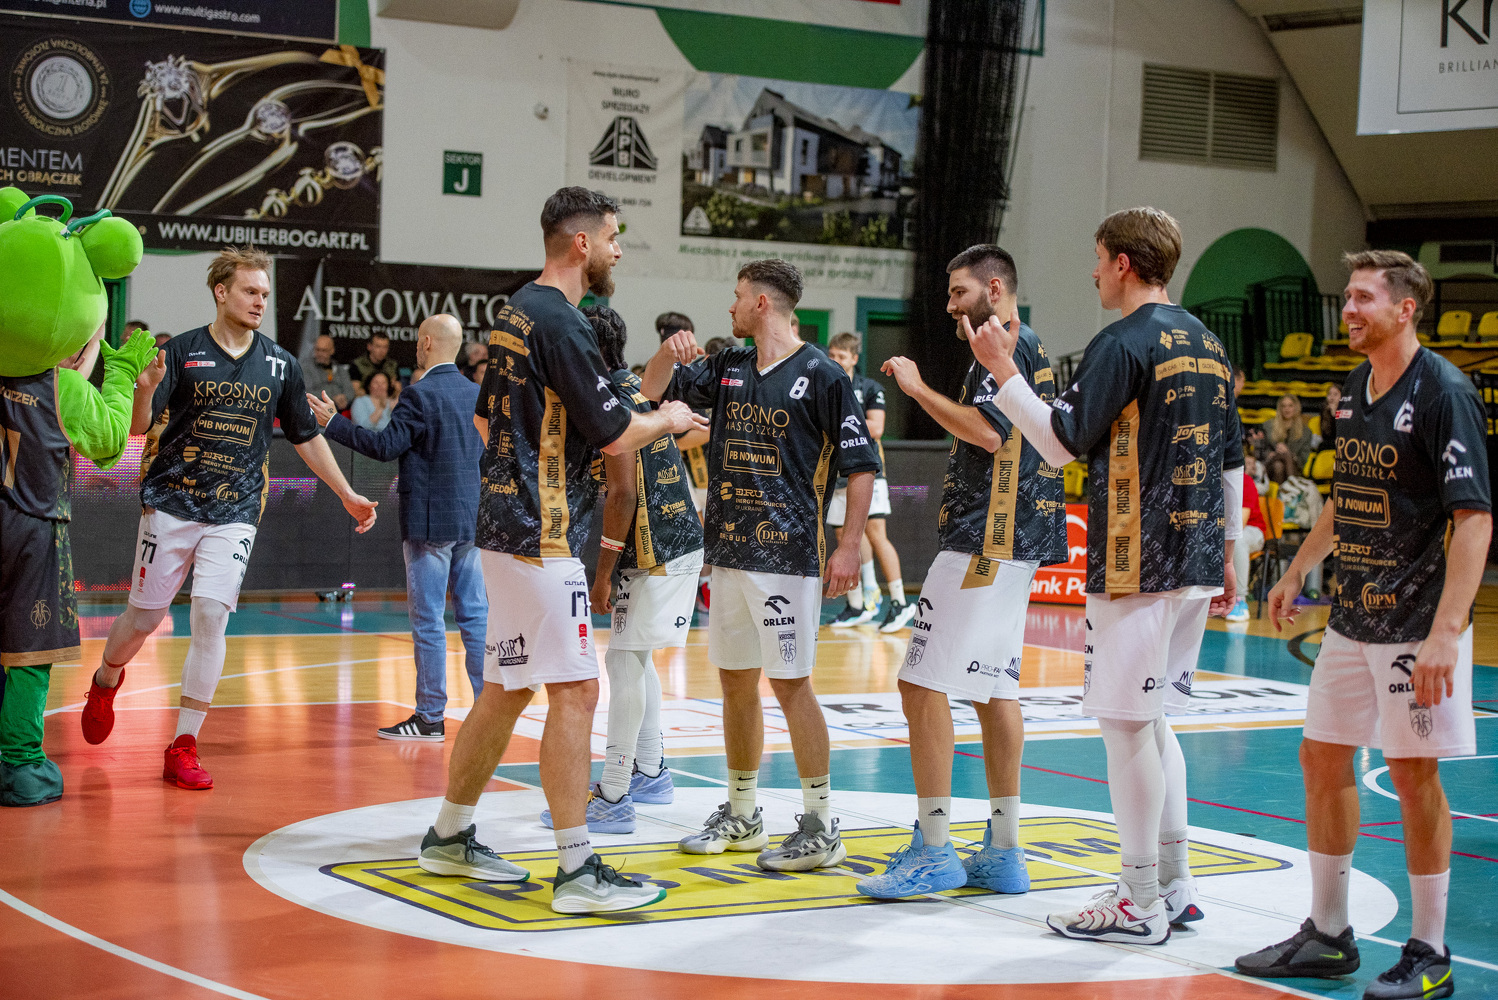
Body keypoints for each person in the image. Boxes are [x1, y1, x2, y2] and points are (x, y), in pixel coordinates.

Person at [412, 187, 703, 914]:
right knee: (576, 691)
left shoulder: (516, 309)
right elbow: (617, 434)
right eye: (613, 237)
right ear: (581, 243)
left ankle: (448, 834)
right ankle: (576, 869)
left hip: (501, 527)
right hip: (543, 536)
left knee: (508, 688)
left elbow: (486, 423)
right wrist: (667, 416)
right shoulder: (563, 323)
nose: (618, 250)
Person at [967, 207, 1243, 944]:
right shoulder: (1208, 342)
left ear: (1123, 262)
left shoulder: (1121, 342)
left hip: (1137, 562)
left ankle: (1139, 899)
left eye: (1097, 258)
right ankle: (1175, 885)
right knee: (1154, 723)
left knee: (1125, 728)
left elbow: (1059, 444)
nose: (1092, 272)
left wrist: (1003, 373)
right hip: (1195, 559)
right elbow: (1232, 462)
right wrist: (1231, 556)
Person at [1235, 251, 1489, 999]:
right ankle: (1328, 932)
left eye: (1362, 298)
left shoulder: (1445, 392)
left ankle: (1430, 950)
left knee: (1412, 774)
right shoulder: (1352, 389)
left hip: (1418, 623)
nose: (1347, 310)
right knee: (1321, 757)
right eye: (1346, 297)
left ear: (1405, 308)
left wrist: (1447, 632)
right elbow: (1347, 498)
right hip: (1352, 617)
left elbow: (1474, 519)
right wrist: (1295, 570)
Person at [79, 246, 379, 788]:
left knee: (211, 615)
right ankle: (105, 679)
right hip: (171, 501)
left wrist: (347, 493)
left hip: (236, 509)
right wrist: (144, 390)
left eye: (265, 293)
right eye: (249, 291)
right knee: (144, 619)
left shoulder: (280, 364)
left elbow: (306, 436)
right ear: (221, 292)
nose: (260, 301)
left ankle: (184, 744)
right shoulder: (182, 352)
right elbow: (139, 428)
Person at [643, 258, 881, 871]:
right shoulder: (728, 364)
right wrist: (668, 354)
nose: (730, 306)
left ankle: (822, 826)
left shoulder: (824, 375)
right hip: (728, 550)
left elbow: (862, 468)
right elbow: (651, 392)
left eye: (738, 296)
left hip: (788, 557)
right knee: (734, 683)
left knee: (792, 685)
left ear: (763, 304)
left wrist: (849, 545)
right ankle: (743, 814)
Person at [857, 244, 1066, 898]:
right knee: (995, 690)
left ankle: (935, 849)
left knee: (920, 684)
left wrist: (918, 389)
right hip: (1015, 540)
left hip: (985, 538)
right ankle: (1004, 850)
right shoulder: (1023, 345)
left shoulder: (1007, 344)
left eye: (959, 293)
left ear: (994, 289)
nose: (949, 306)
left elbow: (989, 433)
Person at [536, 306, 703, 833]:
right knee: (636, 657)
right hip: (671, 543)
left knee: (624, 663)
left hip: (659, 548)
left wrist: (602, 572)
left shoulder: (610, 398)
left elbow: (623, 493)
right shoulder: (626, 386)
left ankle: (613, 793)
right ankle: (651, 770)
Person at [308, 314, 488, 742]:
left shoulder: (418, 395)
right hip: (470, 520)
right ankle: (489, 713)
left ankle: (430, 717)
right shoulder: (477, 394)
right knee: (476, 617)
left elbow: (385, 446)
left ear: (425, 343)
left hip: (429, 523)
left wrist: (334, 423)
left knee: (429, 622)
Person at [825, 331, 916, 632]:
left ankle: (899, 602)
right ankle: (857, 604)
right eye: (831, 355)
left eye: (841, 356)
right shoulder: (826, 385)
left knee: (876, 534)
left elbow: (876, 428)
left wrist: (839, 421)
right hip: (836, 472)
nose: (835, 360)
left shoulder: (870, 388)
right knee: (844, 537)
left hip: (867, 472)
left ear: (854, 358)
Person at [1225, 472, 1266, 622]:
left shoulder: (1244, 481)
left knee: (1237, 539)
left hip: (1252, 529)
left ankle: (1239, 600)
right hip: (1223, 531)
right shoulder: (1208, 479)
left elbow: (1240, 524)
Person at [301, 335, 354, 412]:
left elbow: (350, 391)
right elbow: (307, 392)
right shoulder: (306, 368)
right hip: (315, 410)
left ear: (332, 351)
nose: (320, 354)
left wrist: (343, 398)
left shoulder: (340, 369)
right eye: (317, 350)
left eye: (324, 350)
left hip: (338, 410)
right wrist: (332, 398)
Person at [1266, 393, 1313, 476]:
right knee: (1277, 464)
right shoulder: (1269, 426)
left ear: (1296, 408)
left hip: (1295, 466)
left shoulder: (1306, 432)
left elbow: (1303, 459)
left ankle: (1289, 481)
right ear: (1280, 409)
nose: (1286, 409)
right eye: (1283, 406)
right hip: (1272, 465)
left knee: (1279, 465)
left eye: (1290, 406)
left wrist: (1288, 453)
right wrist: (1270, 454)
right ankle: (1291, 482)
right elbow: (1263, 450)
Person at [1316, 382, 1342, 449]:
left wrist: (1335, 415)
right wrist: (1332, 414)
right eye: (1329, 394)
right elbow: (1326, 435)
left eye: (1335, 394)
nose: (1332, 397)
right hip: (1328, 445)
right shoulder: (1324, 411)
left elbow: (1341, 433)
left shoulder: (1347, 412)